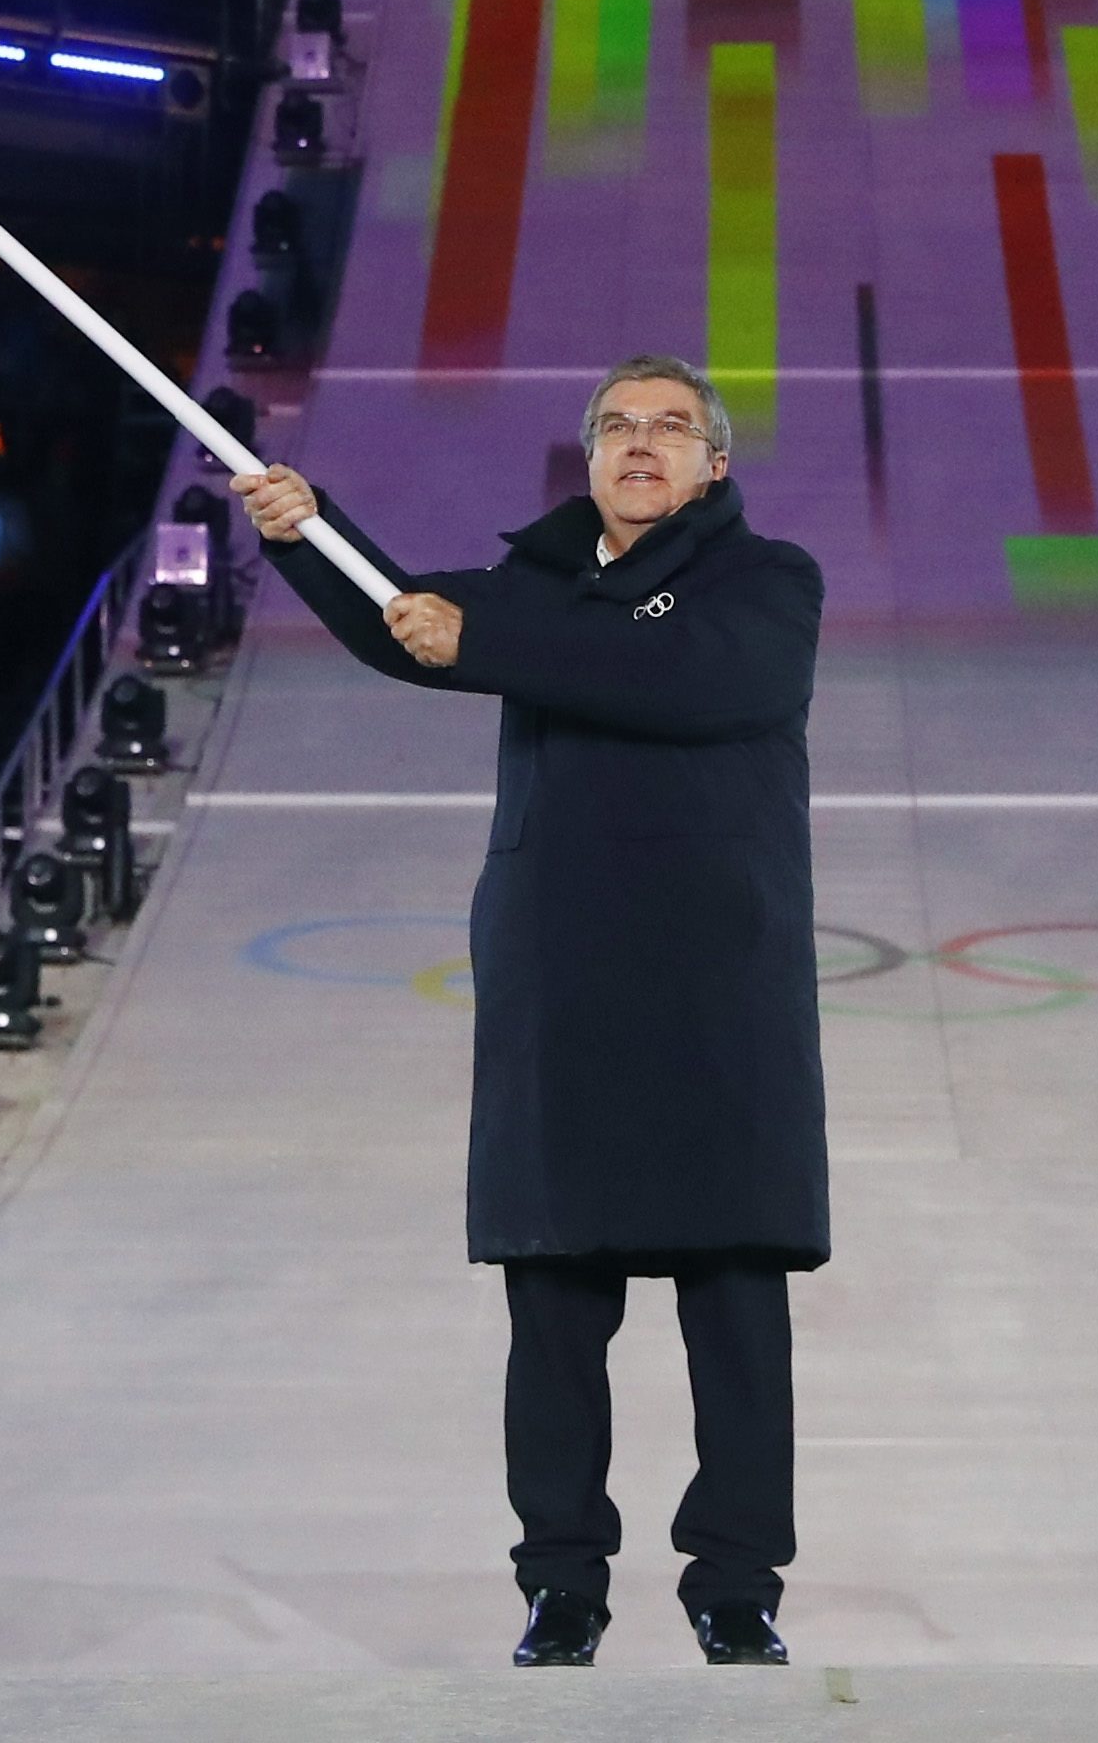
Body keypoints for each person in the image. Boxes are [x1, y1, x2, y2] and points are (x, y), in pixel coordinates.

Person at [231, 354, 825, 1671]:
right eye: (617, 425)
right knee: (552, 1300)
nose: (640, 443)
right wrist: (307, 529)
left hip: (719, 991)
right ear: (589, 456)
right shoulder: (543, 583)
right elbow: (406, 618)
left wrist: (486, 639)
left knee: (734, 1297)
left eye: (672, 428)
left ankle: (736, 1583)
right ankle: (562, 1582)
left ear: (713, 465)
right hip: (563, 982)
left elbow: (691, 683)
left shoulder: (769, 583)